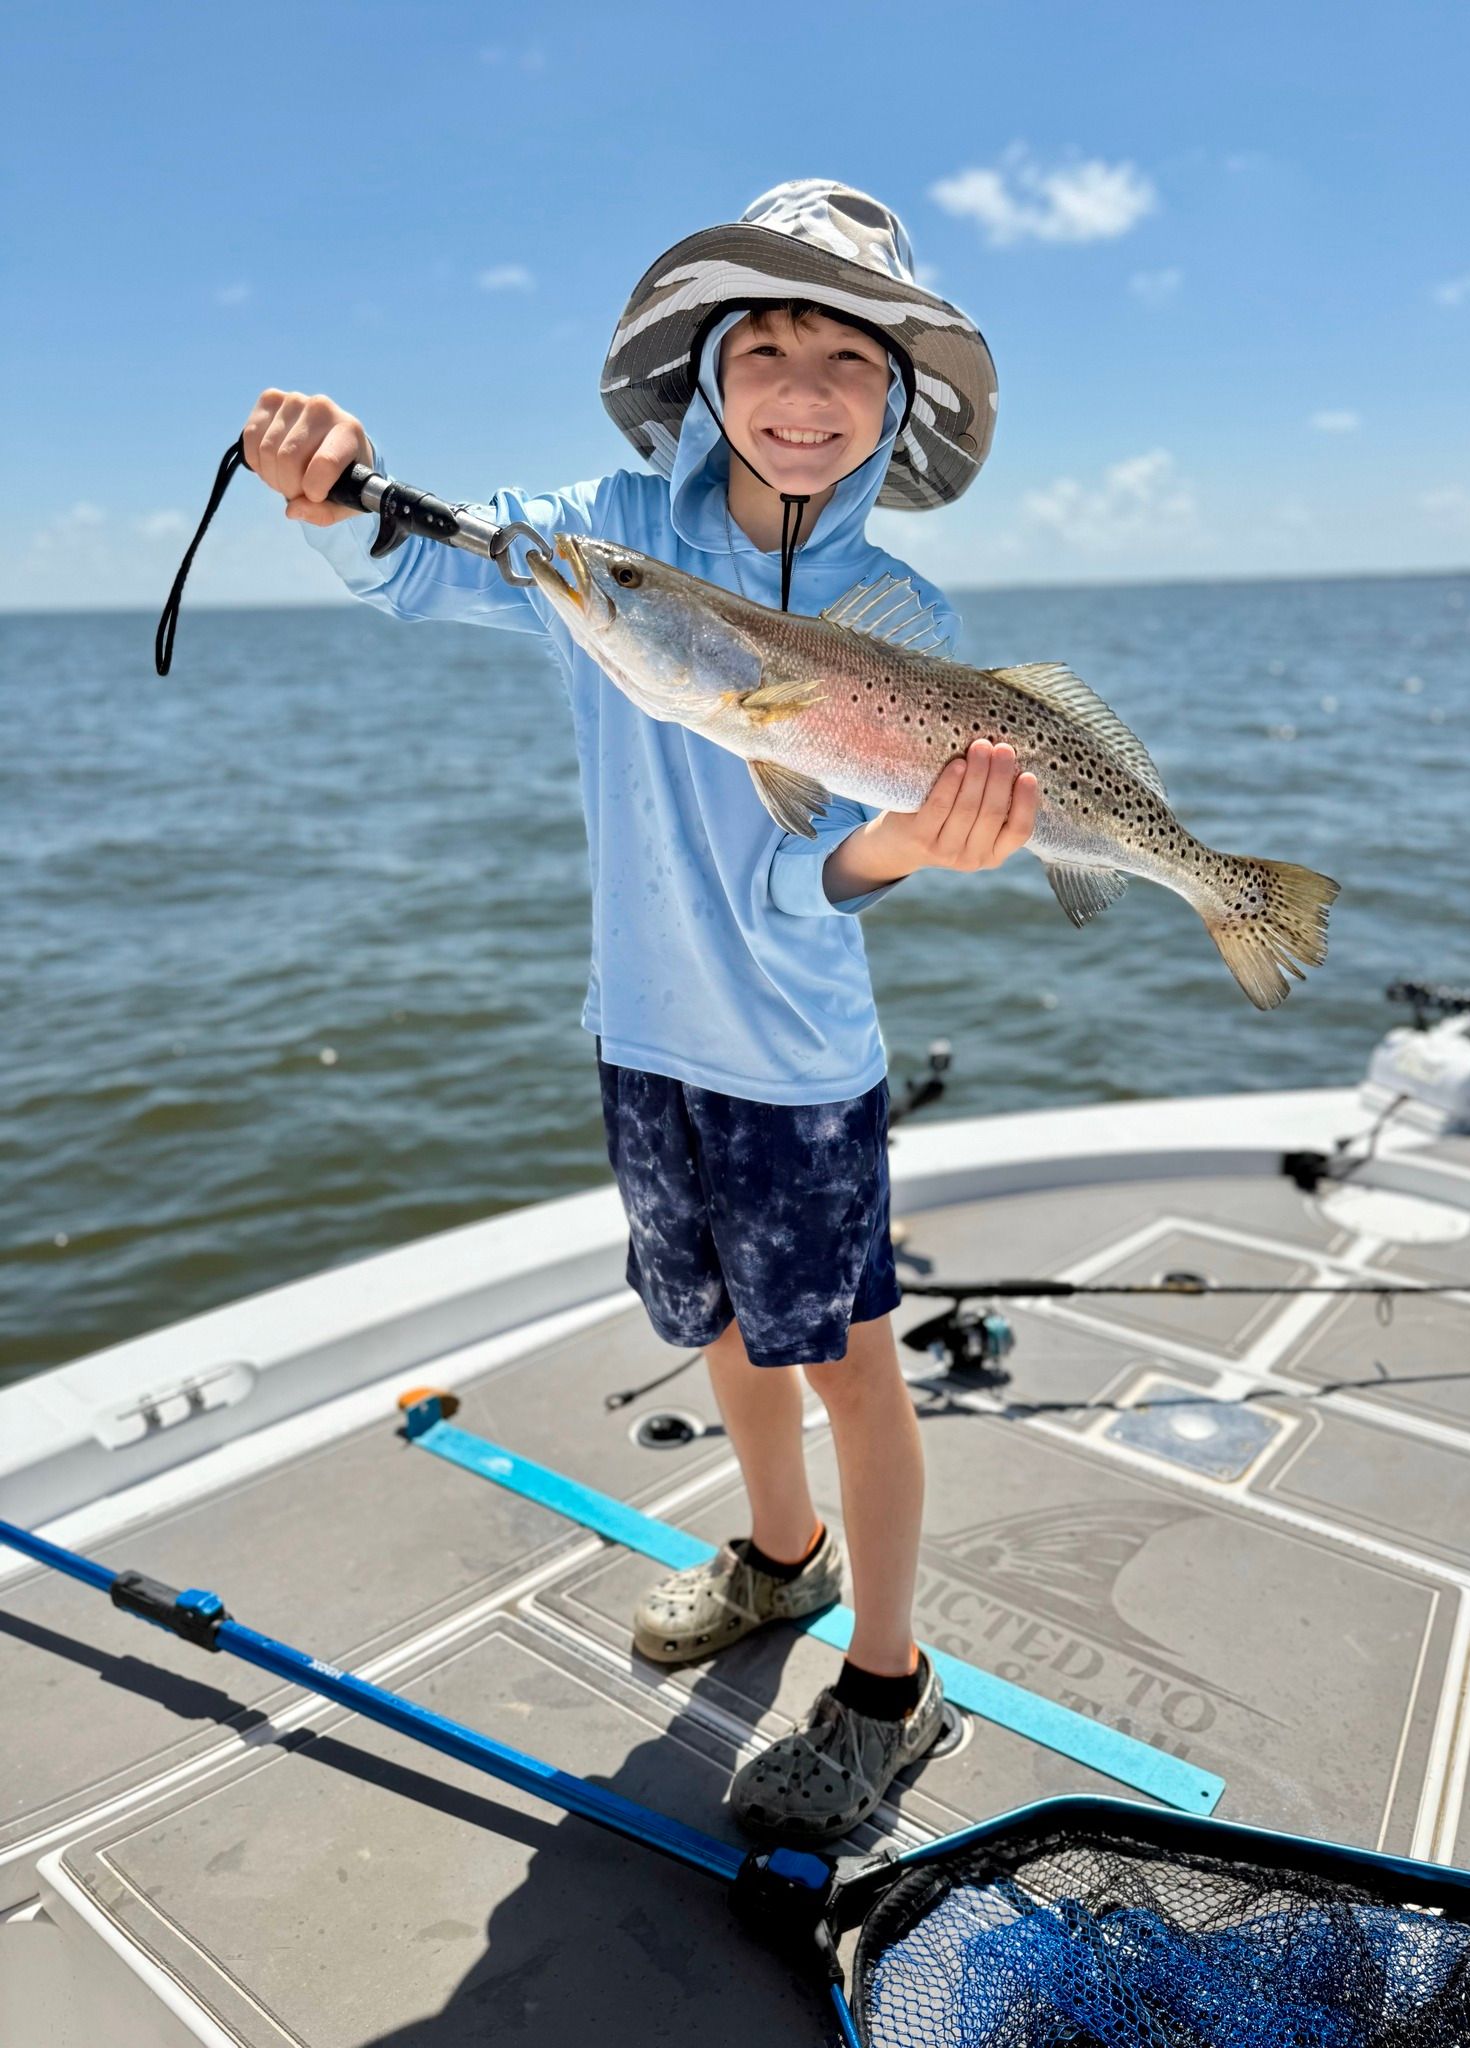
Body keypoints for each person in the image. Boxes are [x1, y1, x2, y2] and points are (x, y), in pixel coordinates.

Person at [243, 178, 1038, 1846]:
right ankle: (781, 1555)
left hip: (797, 1066)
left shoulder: (904, 624)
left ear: (900, 398)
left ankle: (890, 1679)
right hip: (644, 1037)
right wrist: (331, 493)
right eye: (768, 346)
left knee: (853, 1369)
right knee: (723, 1333)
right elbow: (427, 565)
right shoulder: (603, 534)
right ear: (706, 367)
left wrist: (910, 842)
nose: (805, 390)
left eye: (850, 355)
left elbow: (817, 876)